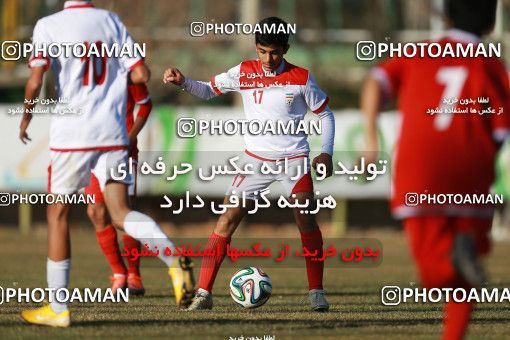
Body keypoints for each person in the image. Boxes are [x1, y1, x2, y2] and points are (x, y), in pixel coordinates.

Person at [19, 0, 194, 327]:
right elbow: (140, 73)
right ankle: (173, 260)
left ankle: (58, 309)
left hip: (72, 134)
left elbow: (34, 81)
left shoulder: (48, 25)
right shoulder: (110, 21)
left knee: (57, 213)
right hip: (113, 133)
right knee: (120, 212)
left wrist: (26, 117)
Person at [164, 16, 335, 312]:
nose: (269, 58)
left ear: (286, 49)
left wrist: (327, 153)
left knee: (305, 220)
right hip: (254, 160)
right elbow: (208, 89)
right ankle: (203, 294)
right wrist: (184, 82)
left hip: (294, 159)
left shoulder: (302, 78)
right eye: (262, 51)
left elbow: (325, 114)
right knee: (226, 221)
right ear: (256, 47)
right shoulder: (243, 71)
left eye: (275, 52)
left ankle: (316, 293)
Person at [360, 0, 510, 338]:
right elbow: (501, 131)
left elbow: (374, 83)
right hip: (471, 174)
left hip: (421, 170)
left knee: (435, 276)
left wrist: (371, 140)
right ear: (489, 26)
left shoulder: (416, 53)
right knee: (465, 278)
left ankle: (452, 262)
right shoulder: (492, 66)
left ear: (447, 17)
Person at [85, 81, 152, 295]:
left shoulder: (126, 70)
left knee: (122, 215)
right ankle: (119, 274)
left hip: (121, 153)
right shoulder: (81, 68)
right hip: (90, 151)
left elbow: (145, 105)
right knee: (95, 211)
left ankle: (135, 275)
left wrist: (128, 141)